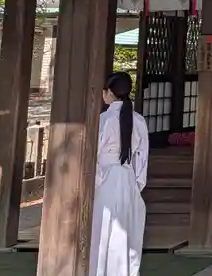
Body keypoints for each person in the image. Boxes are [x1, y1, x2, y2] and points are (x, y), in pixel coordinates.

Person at [91, 72, 149, 276]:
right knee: (126, 236)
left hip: (106, 179)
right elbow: (141, 159)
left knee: (102, 235)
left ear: (108, 93)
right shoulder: (139, 120)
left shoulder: (104, 120)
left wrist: (96, 181)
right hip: (128, 178)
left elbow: (93, 155)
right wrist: (136, 183)